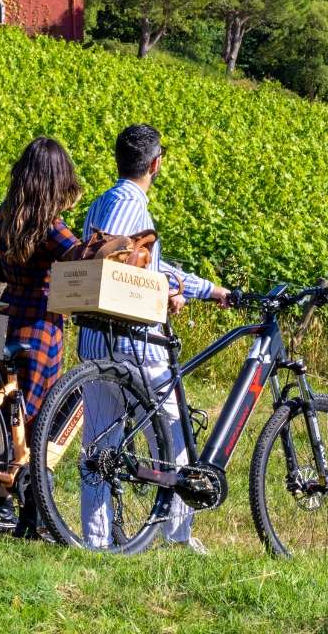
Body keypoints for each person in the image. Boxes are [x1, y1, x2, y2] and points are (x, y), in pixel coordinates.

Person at [78, 124, 230, 553]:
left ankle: (96, 541)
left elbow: (146, 268)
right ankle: (177, 535)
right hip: (133, 342)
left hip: (94, 338)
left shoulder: (99, 203)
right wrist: (167, 294)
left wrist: (204, 289)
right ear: (156, 164)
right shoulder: (132, 209)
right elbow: (126, 268)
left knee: (99, 445)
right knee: (174, 438)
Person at [0, 136, 84, 537]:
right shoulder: (52, 227)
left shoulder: (3, 216)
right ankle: (32, 509)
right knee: (38, 418)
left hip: (6, 317)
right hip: (42, 326)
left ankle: (1, 503)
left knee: (3, 415)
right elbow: (81, 259)